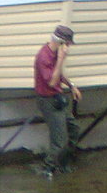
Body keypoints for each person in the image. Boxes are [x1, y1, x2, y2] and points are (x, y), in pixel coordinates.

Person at [34, 24, 82, 177]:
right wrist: (61, 59)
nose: (68, 47)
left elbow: (59, 75)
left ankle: (63, 162)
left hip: (58, 98)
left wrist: (71, 86)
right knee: (59, 140)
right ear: (61, 42)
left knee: (74, 128)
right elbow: (52, 82)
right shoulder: (44, 56)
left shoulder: (54, 54)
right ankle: (47, 168)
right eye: (67, 44)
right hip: (48, 101)